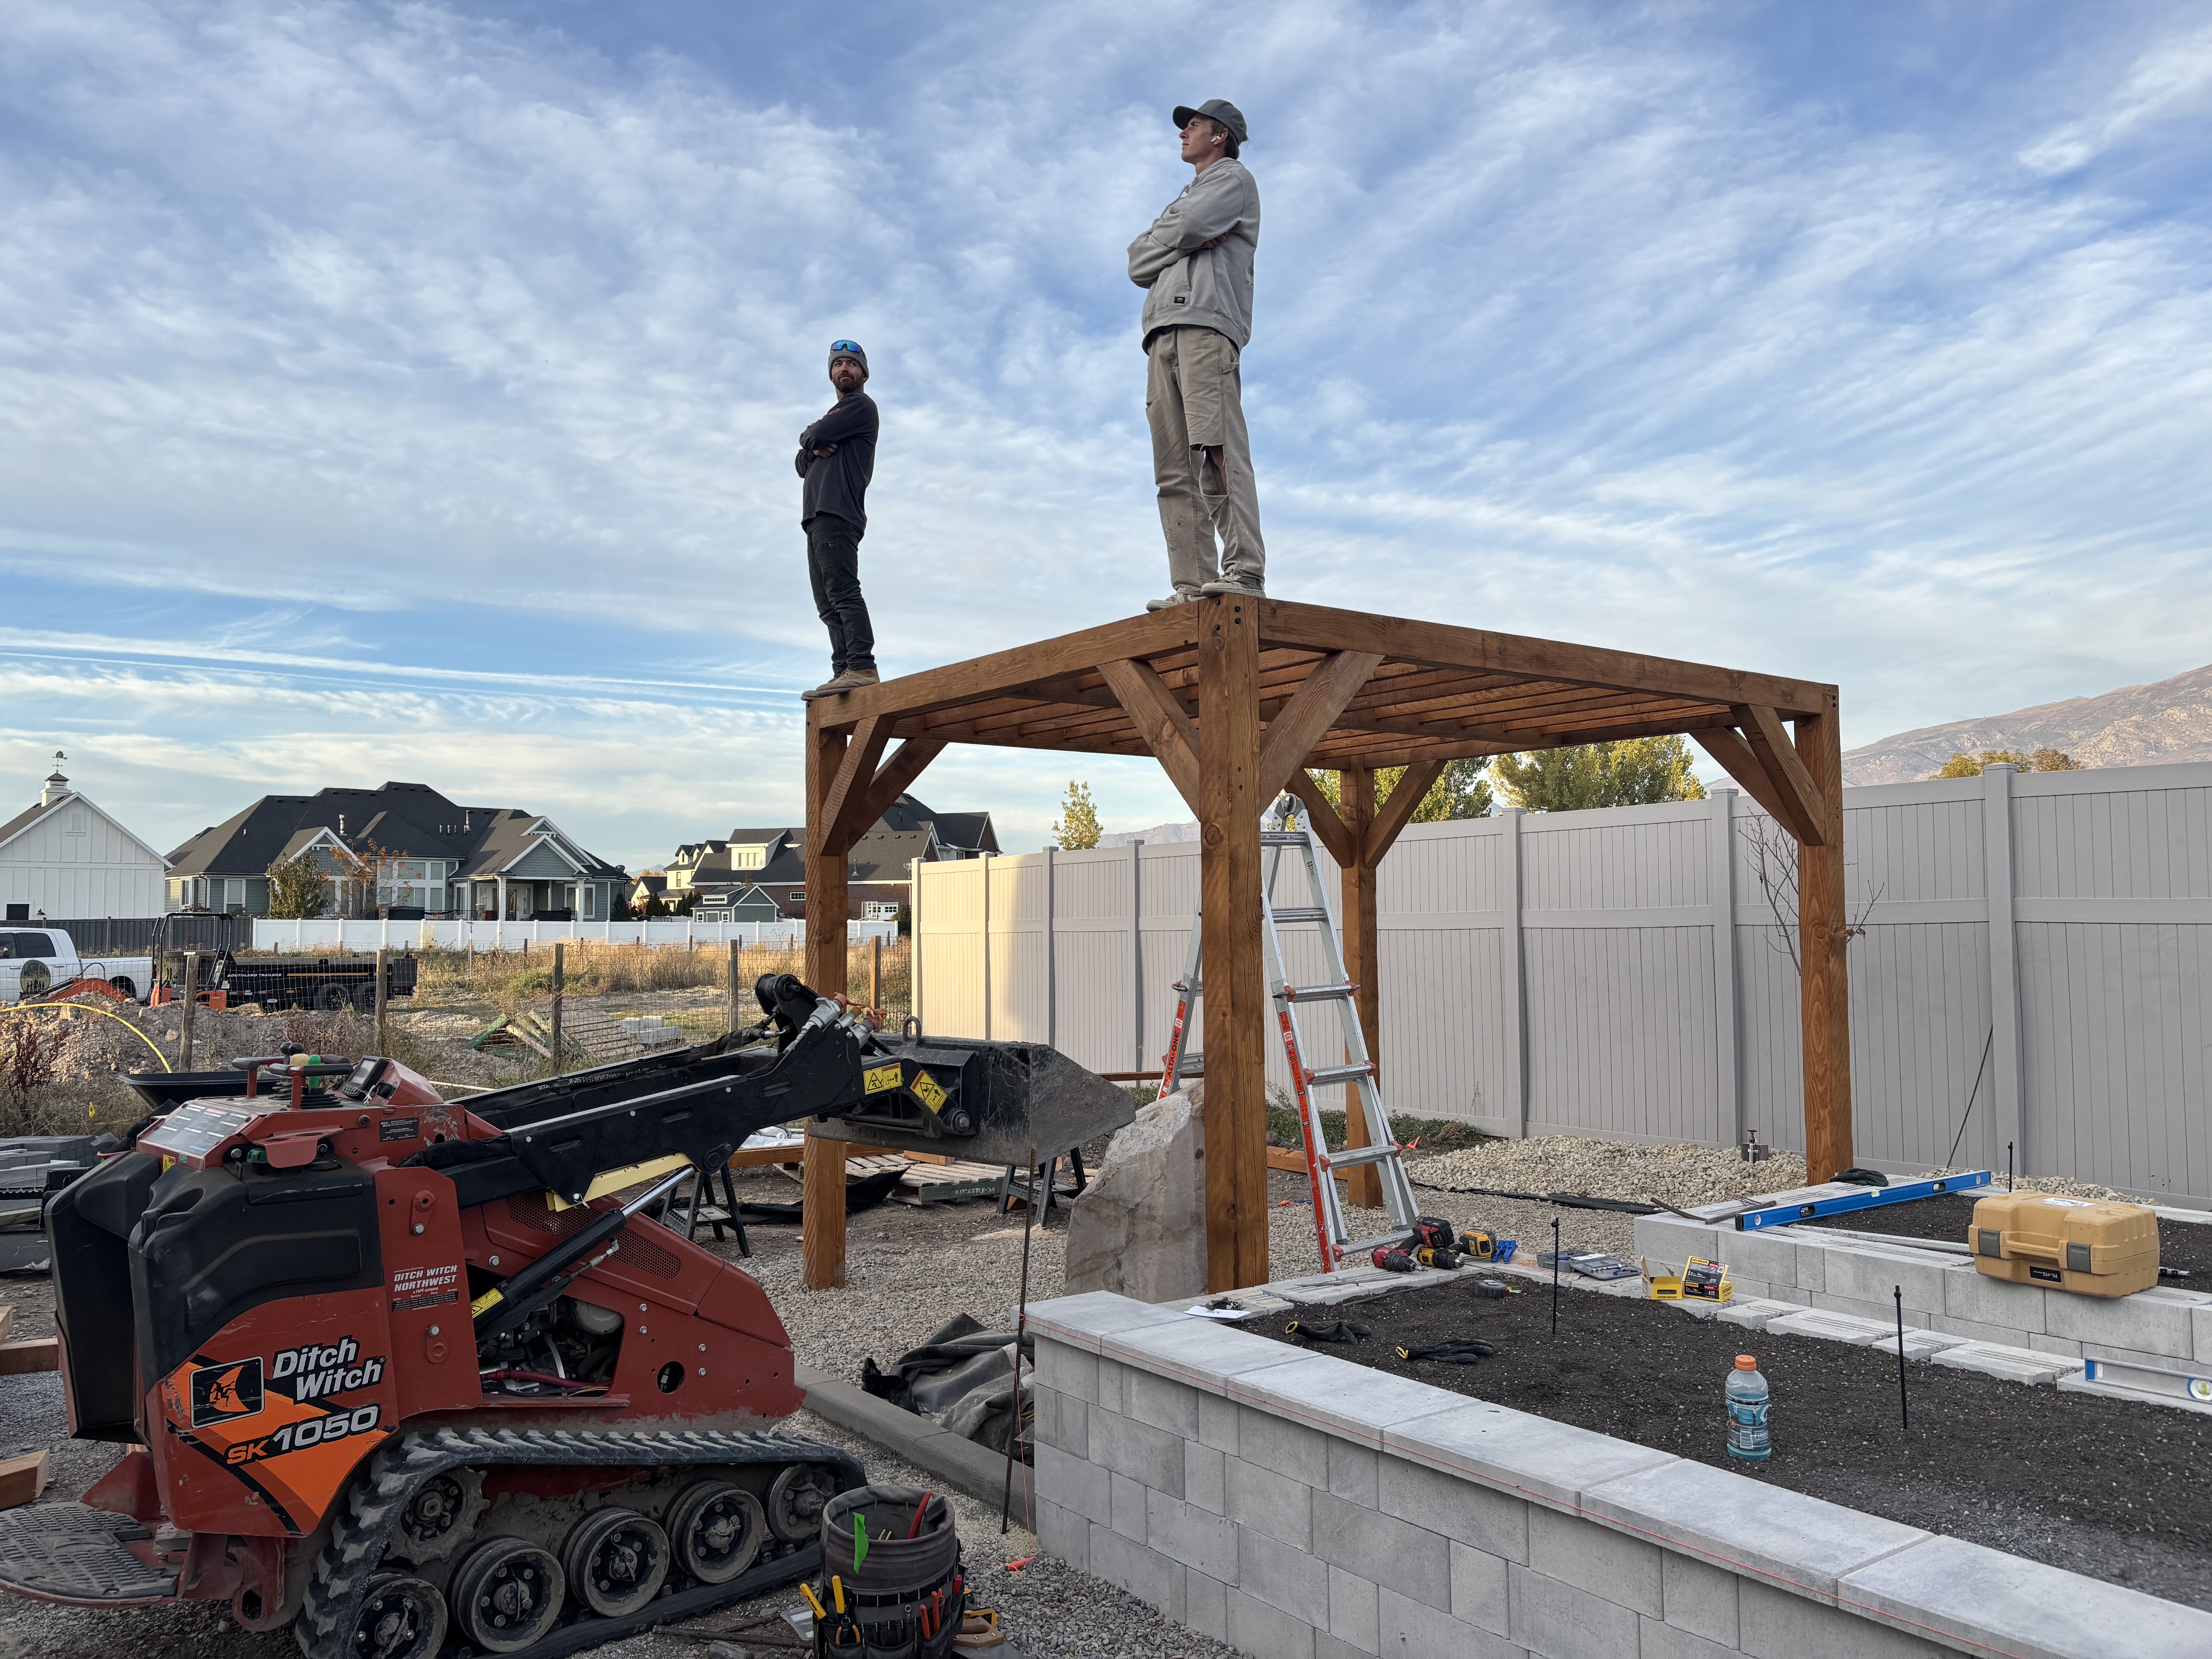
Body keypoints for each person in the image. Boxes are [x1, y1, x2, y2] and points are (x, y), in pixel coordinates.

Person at [1128, 98, 1264, 609]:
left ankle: (1245, 571)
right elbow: (1137, 262)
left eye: (1195, 125)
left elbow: (1179, 233)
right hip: (1160, 333)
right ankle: (1191, 584)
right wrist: (1186, 238)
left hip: (1206, 326)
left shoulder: (1233, 180)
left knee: (1218, 449)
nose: (1184, 132)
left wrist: (1180, 236)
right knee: (1173, 469)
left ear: (1221, 135)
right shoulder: (1188, 196)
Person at [797, 340, 881, 699]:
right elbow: (801, 464)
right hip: (816, 515)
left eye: (851, 364)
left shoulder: (860, 406)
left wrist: (812, 441)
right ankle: (843, 671)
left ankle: (862, 665)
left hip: (838, 510)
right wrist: (811, 448)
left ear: (863, 373)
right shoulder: (839, 417)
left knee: (843, 591)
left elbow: (813, 436)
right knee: (826, 602)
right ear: (831, 373)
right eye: (838, 364)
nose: (844, 369)